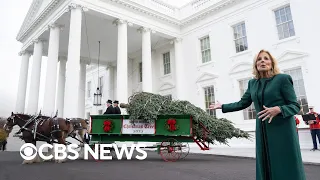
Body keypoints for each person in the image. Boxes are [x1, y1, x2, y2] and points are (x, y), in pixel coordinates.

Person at [209, 49, 306, 180]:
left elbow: (295, 106)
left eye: (266, 58)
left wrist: (278, 109)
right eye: (259, 59)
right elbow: (243, 103)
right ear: (255, 65)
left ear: (272, 63)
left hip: (282, 130)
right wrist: (223, 106)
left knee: (284, 163)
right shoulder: (252, 83)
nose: (262, 61)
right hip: (262, 129)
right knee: (264, 162)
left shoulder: (282, 79)